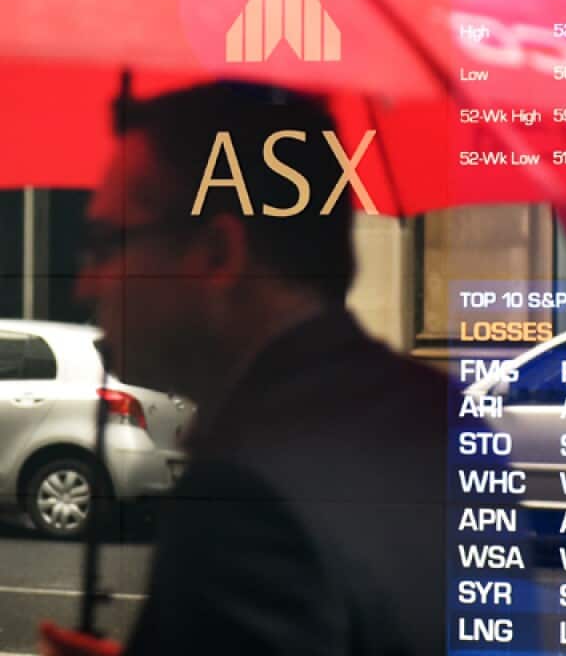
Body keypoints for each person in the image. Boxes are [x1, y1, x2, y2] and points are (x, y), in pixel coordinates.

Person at [39, 83, 449, 655]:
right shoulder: (442, 414)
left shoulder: (243, 500)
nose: (86, 284)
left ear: (217, 254)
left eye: (109, 243)